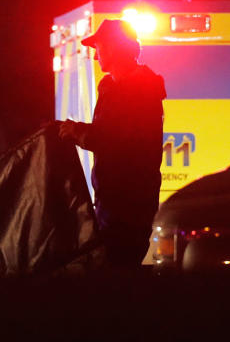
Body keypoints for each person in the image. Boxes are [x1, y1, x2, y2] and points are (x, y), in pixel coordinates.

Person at [59, 19, 166, 268]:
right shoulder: (114, 86)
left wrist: (75, 131)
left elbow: (114, 140)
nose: (95, 56)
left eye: (99, 48)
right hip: (114, 203)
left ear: (116, 48)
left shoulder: (138, 90)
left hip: (128, 207)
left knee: (114, 273)